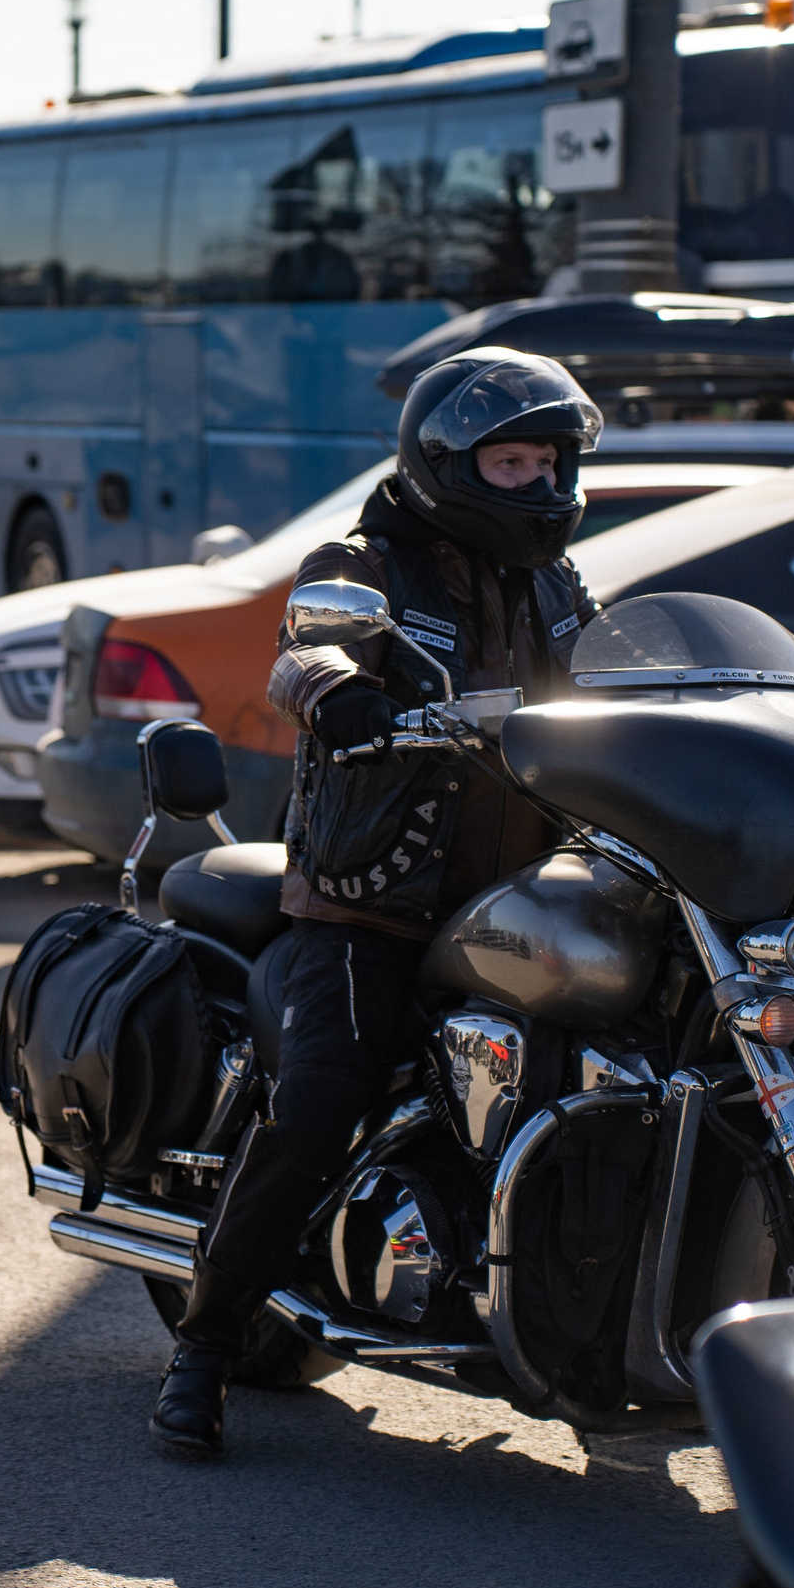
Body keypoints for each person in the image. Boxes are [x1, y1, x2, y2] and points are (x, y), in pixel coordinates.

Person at [148, 347, 606, 1460]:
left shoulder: (553, 583)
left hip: (519, 898)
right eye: (511, 461)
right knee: (316, 1107)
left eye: (549, 460)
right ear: (449, 462)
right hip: (371, 905)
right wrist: (343, 692)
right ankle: (204, 1348)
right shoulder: (364, 561)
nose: (538, 485)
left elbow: (616, 679)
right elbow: (306, 651)